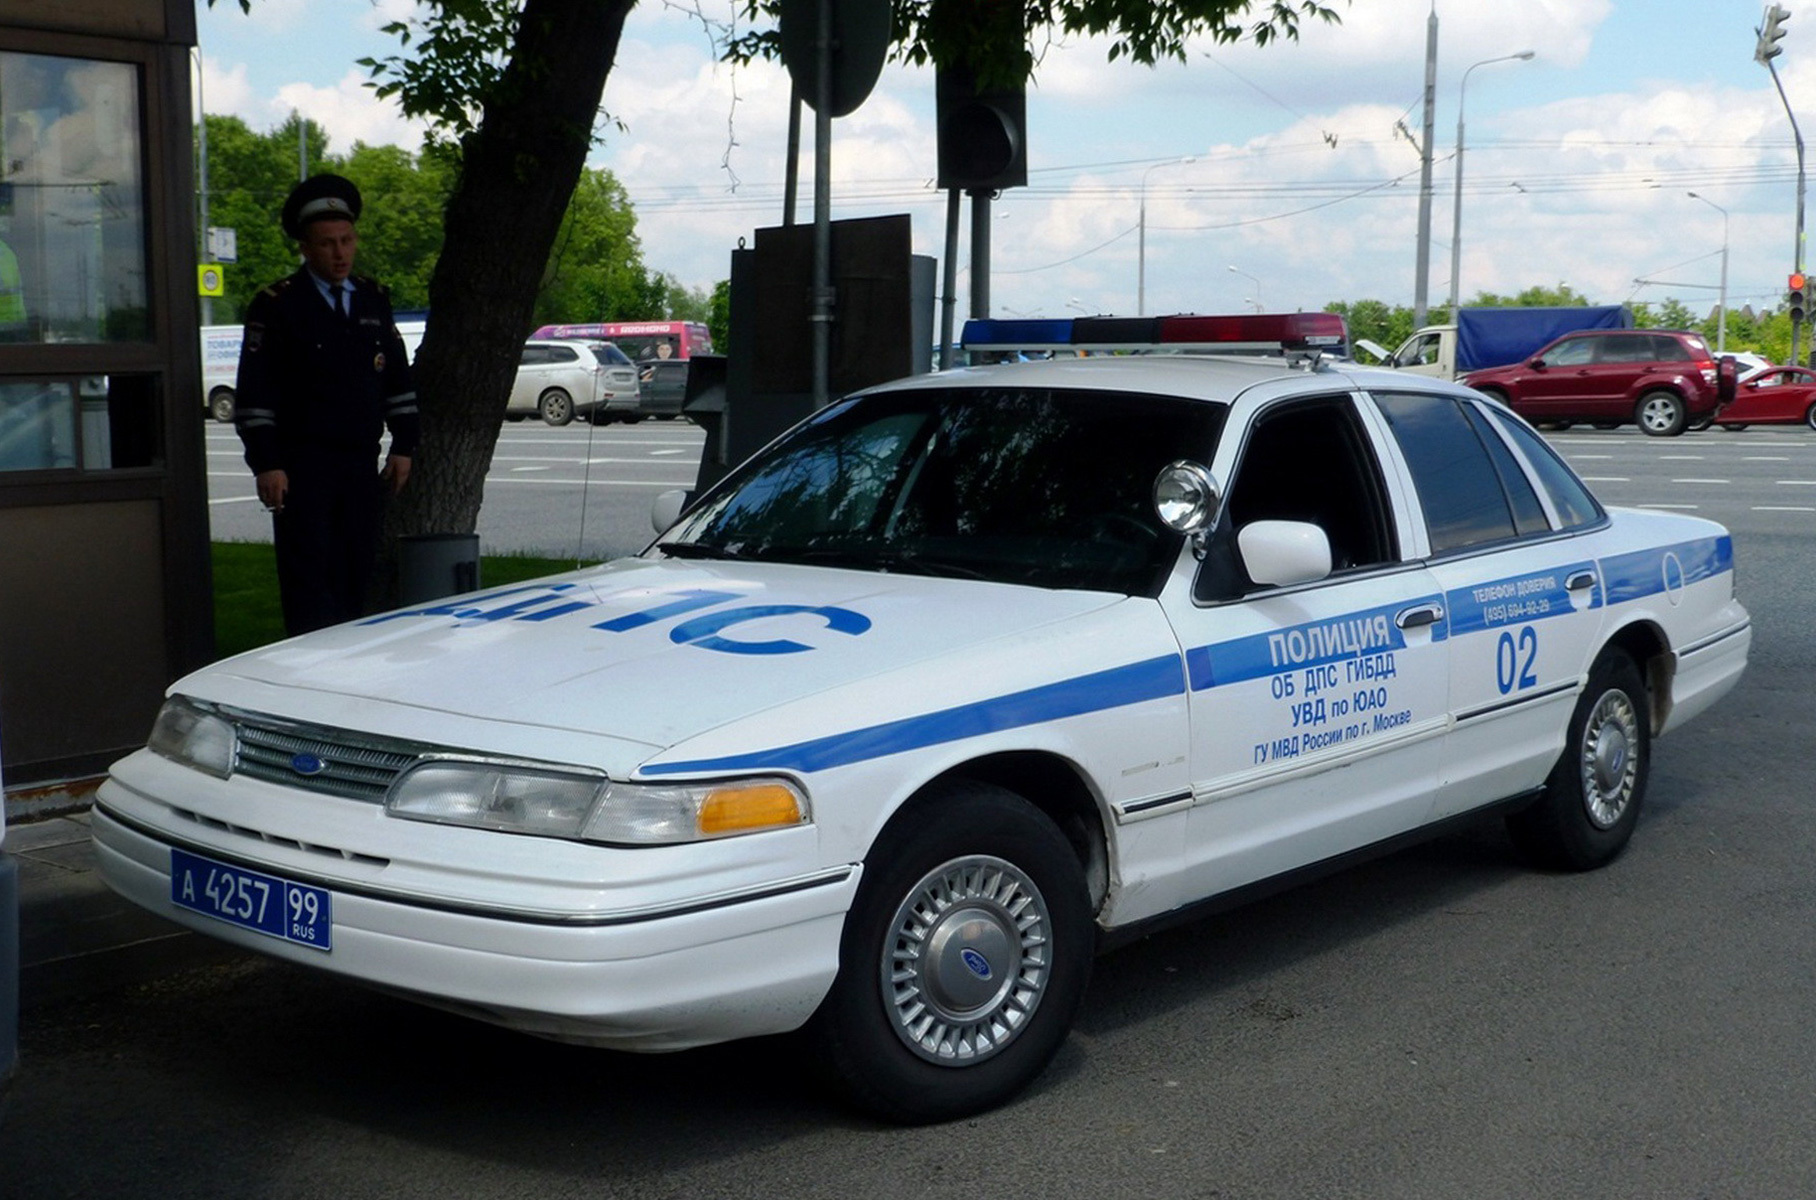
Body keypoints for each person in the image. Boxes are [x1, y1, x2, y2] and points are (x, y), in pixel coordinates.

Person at [234, 173, 419, 636]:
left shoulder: (373, 299)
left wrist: (405, 444)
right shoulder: (277, 305)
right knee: (309, 587)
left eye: (347, 241)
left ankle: (352, 680)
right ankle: (306, 679)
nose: (340, 254)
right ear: (304, 248)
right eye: (327, 244)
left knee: (356, 577)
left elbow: (395, 377)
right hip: (302, 468)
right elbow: (255, 393)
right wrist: (267, 463)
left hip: (360, 465)